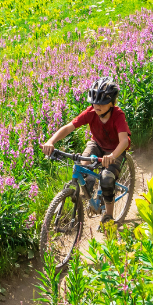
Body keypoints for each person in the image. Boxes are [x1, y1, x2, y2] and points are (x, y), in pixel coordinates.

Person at [39, 77, 130, 214]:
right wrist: (51, 141)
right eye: (94, 103)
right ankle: (90, 188)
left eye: (102, 103)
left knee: (106, 179)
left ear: (111, 103)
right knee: (82, 165)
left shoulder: (117, 115)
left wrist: (112, 156)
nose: (97, 106)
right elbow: (69, 127)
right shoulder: (91, 112)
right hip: (97, 144)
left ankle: (108, 217)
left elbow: (124, 140)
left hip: (115, 150)